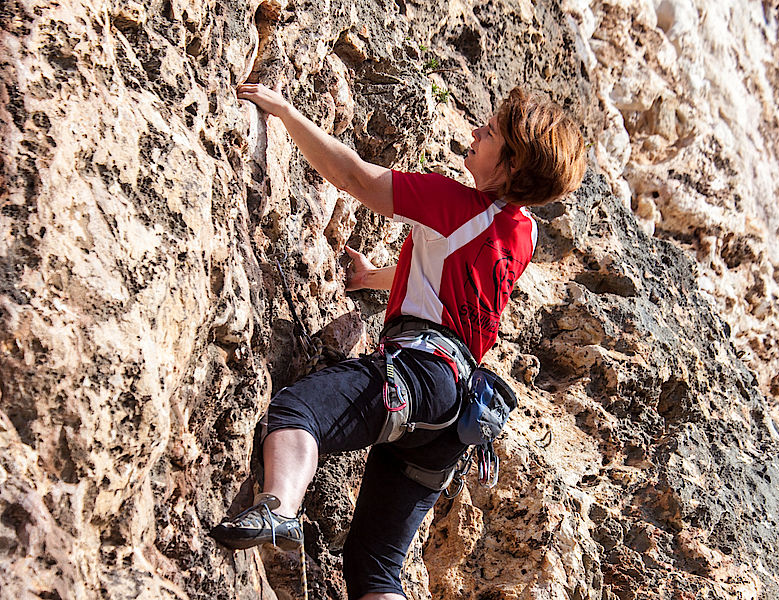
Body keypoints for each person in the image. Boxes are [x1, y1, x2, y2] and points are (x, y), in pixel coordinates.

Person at [210, 82, 586, 600]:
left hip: (418, 373)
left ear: (514, 163)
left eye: (492, 131)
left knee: (299, 412)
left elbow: (353, 177)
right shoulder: (523, 233)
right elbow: (455, 279)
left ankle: (279, 510)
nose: (477, 130)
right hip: (456, 414)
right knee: (374, 567)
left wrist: (287, 113)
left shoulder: (452, 202)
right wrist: (373, 279)